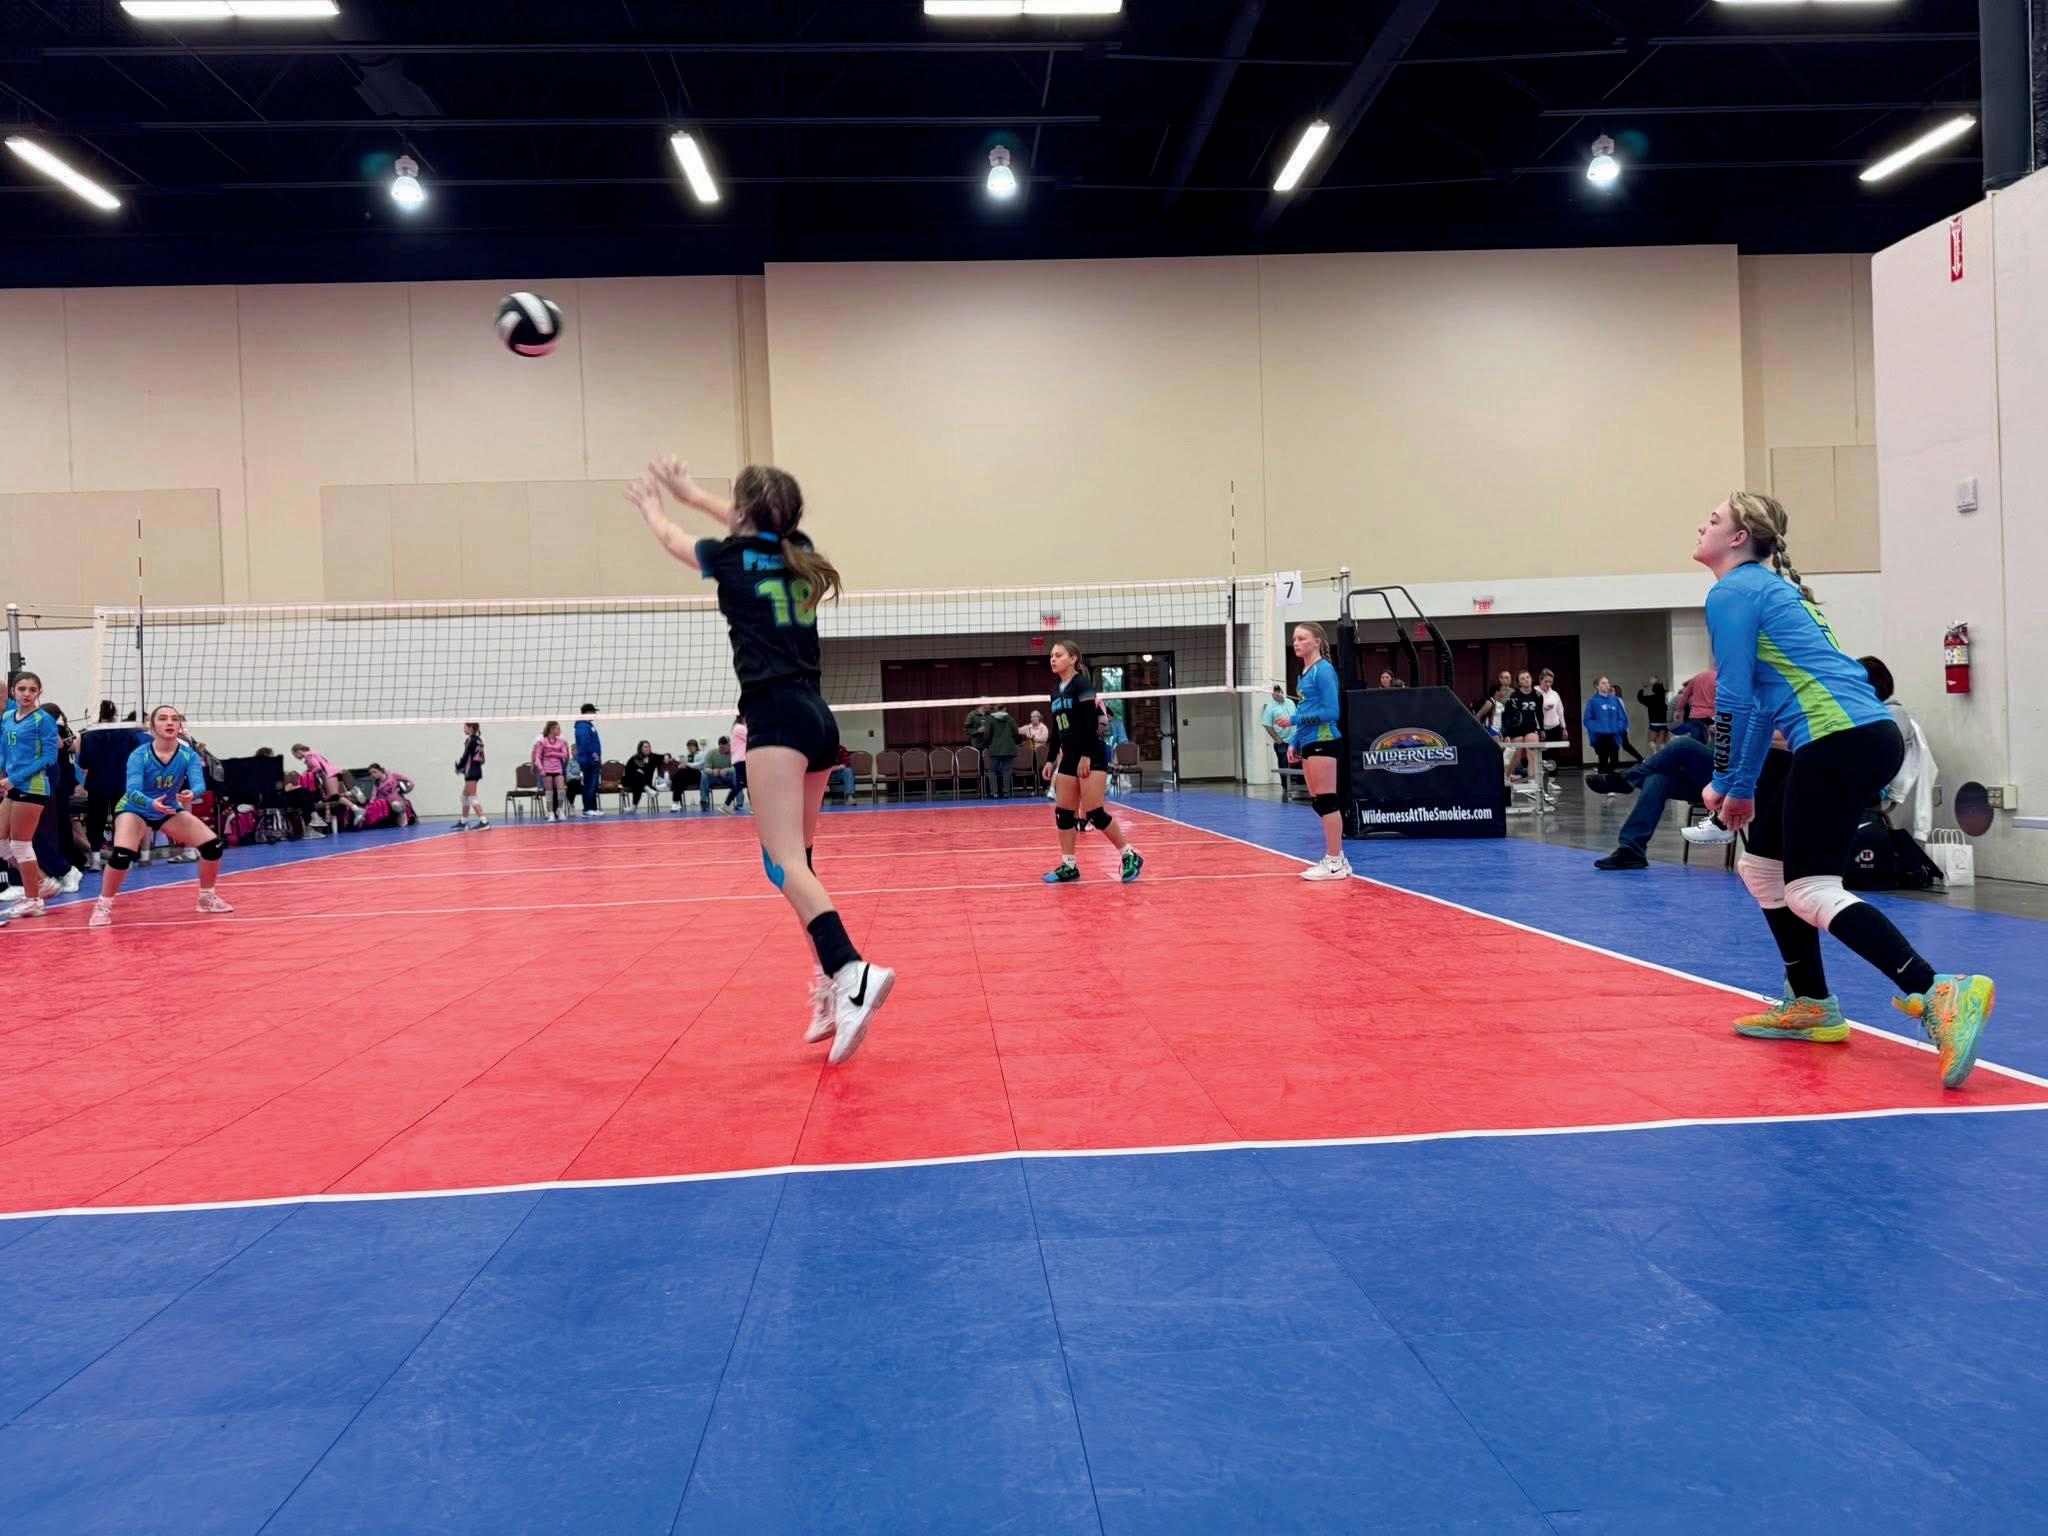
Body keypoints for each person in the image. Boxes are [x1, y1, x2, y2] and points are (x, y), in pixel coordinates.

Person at [1695, 490, 1991, 1085]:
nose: (1702, 525)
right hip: (1862, 736)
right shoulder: (1772, 591)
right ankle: (1811, 1003)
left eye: (1714, 519)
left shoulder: (1732, 592)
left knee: (1809, 889)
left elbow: (1732, 697)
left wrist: (1722, 779)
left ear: (1738, 538)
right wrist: (1741, 788)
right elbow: (1760, 704)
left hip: (1838, 739)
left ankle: (1938, 990)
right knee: (1763, 868)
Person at [628, 453, 894, 1063]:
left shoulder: (725, 557)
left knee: (782, 863)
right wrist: (696, 495)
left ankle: (851, 970)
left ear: (742, 512)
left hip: (774, 719)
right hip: (819, 718)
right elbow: (753, 523)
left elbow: (671, 539)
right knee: (797, 865)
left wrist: (657, 506)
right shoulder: (800, 550)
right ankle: (830, 984)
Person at [88, 703, 235, 929]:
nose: (169, 723)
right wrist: (150, 803)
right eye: (163, 718)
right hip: (135, 808)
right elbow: (132, 791)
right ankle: (102, 906)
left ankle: (206, 898)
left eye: (174, 719)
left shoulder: (188, 754)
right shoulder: (140, 754)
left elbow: (199, 784)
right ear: (152, 726)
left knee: (212, 847)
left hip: (167, 809)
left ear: (180, 725)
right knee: (122, 855)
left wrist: (191, 793)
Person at [1040, 639, 1142, 885]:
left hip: (1091, 754)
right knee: (1064, 813)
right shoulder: (1055, 691)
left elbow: (1090, 723)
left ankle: (1129, 854)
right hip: (1068, 756)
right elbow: (1057, 728)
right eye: (1052, 655)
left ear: (1073, 658)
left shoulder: (1082, 685)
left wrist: (1086, 755)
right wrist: (1051, 759)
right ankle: (1069, 866)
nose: (1053, 659)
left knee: (1094, 812)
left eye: (1059, 655)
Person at [1271, 623, 1351, 881]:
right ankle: (1338, 859)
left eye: (1302, 638)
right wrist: (1295, 741)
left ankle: (1334, 861)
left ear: (1317, 641)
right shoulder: (1304, 673)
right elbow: (1306, 710)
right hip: (1308, 741)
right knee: (1318, 802)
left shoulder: (1323, 670)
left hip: (1324, 740)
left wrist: (1294, 721)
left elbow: (1331, 712)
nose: (1296, 642)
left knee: (1327, 800)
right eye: (1294, 638)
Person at [1591, 735, 1714, 870]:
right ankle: (1632, 850)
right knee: (1656, 779)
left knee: (1683, 745)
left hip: (1727, 785)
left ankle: (1629, 778)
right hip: (1708, 781)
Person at [0, 672, 62, 918]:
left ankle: (33, 900)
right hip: (13, 785)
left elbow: (49, 757)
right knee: (1, 840)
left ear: (39, 693)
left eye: (32, 690)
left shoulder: (42, 720)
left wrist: (13, 780)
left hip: (32, 786)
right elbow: (5, 751)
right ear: (13, 692)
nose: (27, 694)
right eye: (22, 689)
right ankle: (42, 882)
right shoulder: (8, 717)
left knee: (20, 843)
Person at [79, 703, 145, 865]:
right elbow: (137, 758)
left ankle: (95, 860)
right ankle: (124, 858)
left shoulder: (88, 735)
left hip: (97, 784)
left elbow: (83, 762)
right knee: (122, 820)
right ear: (115, 714)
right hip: (121, 782)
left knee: (96, 821)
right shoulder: (128, 733)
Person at [1500, 670, 1545, 788]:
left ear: (1531, 678)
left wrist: (1542, 729)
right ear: (1519, 683)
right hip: (1516, 728)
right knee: (1516, 756)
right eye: (1523, 678)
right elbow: (1507, 716)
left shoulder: (1538, 695)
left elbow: (1539, 714)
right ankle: (1506, 776)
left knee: (1532, 754)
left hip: (1531, 727)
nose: (1526, 680)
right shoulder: (1514, 696)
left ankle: (1532, 780)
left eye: (1527, 677)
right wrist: (1507, 734)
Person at [1582, 676, 1632, 779]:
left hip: (1614, 735)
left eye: (1608, 682)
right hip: (1600, 736)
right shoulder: (1592, 702)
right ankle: (1602, 781)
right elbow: (1587, 720)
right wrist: (1599, 729)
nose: (1607, 685)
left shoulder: (1615, 700)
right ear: (1597, 686)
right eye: (1603, 683)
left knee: (1615, 761)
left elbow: (1622, 718)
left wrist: (1619, 728)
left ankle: (1604, 777)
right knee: (1603, 760)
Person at [357, 763, 417, 829]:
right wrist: (369, 805)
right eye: (371, 773)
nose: (373, 774)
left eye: (374, 772)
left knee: (395, 805)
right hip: (389, 804)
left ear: (380, 770)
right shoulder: (377, 783)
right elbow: (373, 796)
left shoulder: (393, 775)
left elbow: (411, 782)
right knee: (379, 805)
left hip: (399, 802)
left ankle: (403, 813)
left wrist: (406, 790)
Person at [531, 722, 571, 821]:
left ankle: (559, 810)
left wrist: (553, 753)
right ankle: (551, 813)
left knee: (561, 790)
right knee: (549, 792)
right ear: (551, 730)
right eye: (558, 728)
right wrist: (541, 769)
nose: (560, 730)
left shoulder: (560, 741)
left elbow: (565, 754)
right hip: (547, 770)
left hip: (558, 769)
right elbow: (538, 757)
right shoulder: (542, 742)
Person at [454, 722, 489, 830]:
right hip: (474, 770)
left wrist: (459, 767)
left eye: (465, 727)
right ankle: (464, 822)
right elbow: (482, 760)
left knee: (472, 797)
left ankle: (484, 821)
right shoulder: (478, 740)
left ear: (471, 728)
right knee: (464, 797)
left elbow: (466, 756)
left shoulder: (471, 740)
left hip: (471, 771)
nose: (464, 729)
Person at [573, 704, 605, 818]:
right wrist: (593, 754)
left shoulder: (589, 725)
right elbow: (584, 743)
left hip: (593, 760)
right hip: (587, 760)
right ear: (587, 713)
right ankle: (587, 809)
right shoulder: (582, 726)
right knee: (588, 785)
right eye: (593, 712)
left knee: (593, 786)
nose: (595, 714)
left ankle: (593, 808)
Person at [983, 701, 1019, 798]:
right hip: (1009, 748)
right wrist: (1010, 741)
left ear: (996, 709)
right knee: (1007, 770)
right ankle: (1006, 792)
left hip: (995, 749)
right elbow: (1016, 733)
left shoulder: (990, 719)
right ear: (1005, 708)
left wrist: (988, 745)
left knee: (992, 771)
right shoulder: (1010, 719)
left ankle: (994, 793)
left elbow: (987, 735)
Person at [1259, 683, 1293, 780]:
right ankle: (1285, 785)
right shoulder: (1270, 707)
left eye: (1279, 691)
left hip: (1294, 739)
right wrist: (1277, 738)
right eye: (1275, 692)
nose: (1277, 694)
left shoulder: (1290, 702)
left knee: (1296, 763)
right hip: (1282, 741)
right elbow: (1266, 724)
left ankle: (1295, 784)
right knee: (1283, 763)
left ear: (1282, 692)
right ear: (1272, 695)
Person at [1672, 669, 1716, 743]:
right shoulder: (1718, 677)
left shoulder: (1697, 677)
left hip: (1696, 716)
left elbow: (1685, 695)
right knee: (1713, 744)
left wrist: (1678, 710)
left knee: (1697, 743)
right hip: (1711, 716)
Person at [1537, 668, 1569, 761]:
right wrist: (1543, 707)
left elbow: (1560, 712)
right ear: (1540, 680)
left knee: (1555, 755)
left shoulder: (1555, 694)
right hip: (1540, 728)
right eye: (1546, 681)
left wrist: (1564, 728)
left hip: (1555, 727)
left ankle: (1554, 771)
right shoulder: (1535, 692)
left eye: (1550, 682)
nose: (1548, 684)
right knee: (1542, 755)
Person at [621, 740, 662, 810]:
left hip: (645, 781)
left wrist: (668, 756)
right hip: (630, 781)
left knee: (638, 781)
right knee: (637, 774)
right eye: (645, 747)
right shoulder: (634, 758)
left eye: (649, 747)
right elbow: (628, 771)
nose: (648, 748)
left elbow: (664, 757)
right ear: (640, 748)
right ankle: (647, 789)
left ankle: (634, 806)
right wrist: (638, 770)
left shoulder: (653, 757)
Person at [698, 736, 735, 811]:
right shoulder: (711, 753)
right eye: (727, 746)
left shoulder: (733, 753)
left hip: (727, 776)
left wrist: (726, 770)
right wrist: (712, 771)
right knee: (704, 776)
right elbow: (705, 768)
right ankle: (704, 801)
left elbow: (735, 768)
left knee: (737, 775)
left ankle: (739, 804)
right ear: (720, 746)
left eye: (730, 745)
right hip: (714, 776)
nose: (729, 747)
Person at [725, 715, 749, 814]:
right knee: (741, 784)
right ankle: (725, 805)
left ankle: (726, 805)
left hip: (739, 760)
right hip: (741, 760)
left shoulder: (736, 728)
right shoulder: (740, 728)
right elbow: (751, 738)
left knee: (747, 784)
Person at [1639, 677, 1671, 748]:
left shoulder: (1651, 699)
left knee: (1651, 741)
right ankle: (1663, 753)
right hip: (1664, 723)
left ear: (1654, 690)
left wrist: (1643, 688)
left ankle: (1655, 752)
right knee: (1662, 743)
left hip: (1654, 723)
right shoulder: (1665, 698)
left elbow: (1640, 698)